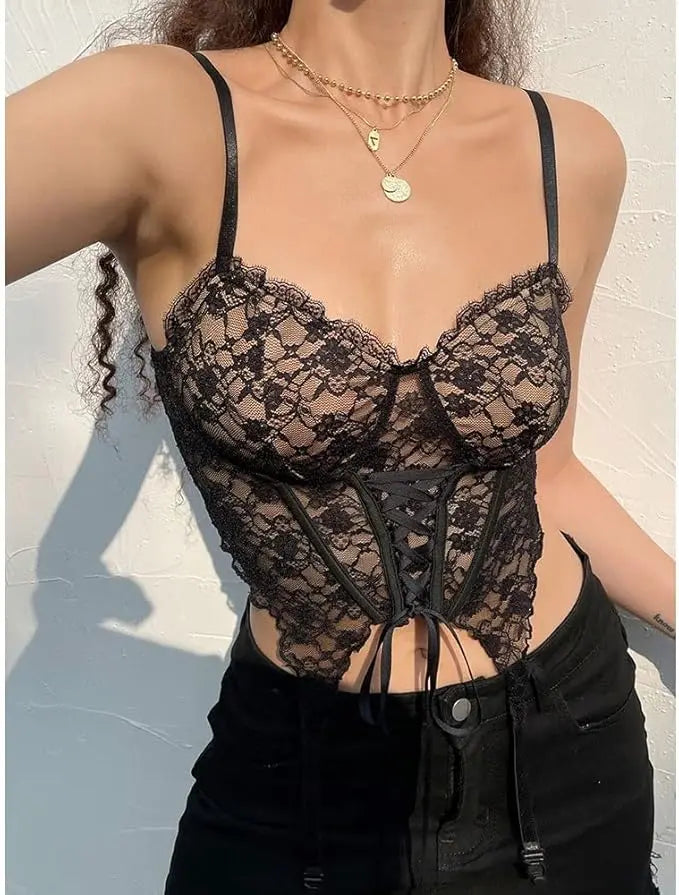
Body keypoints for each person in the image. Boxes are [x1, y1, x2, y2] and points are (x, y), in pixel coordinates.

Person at [6, 2, 674, 893]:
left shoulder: (570, 151)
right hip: (300, 785)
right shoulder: (159, 111)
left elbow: (544, 475)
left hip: (566, 751)